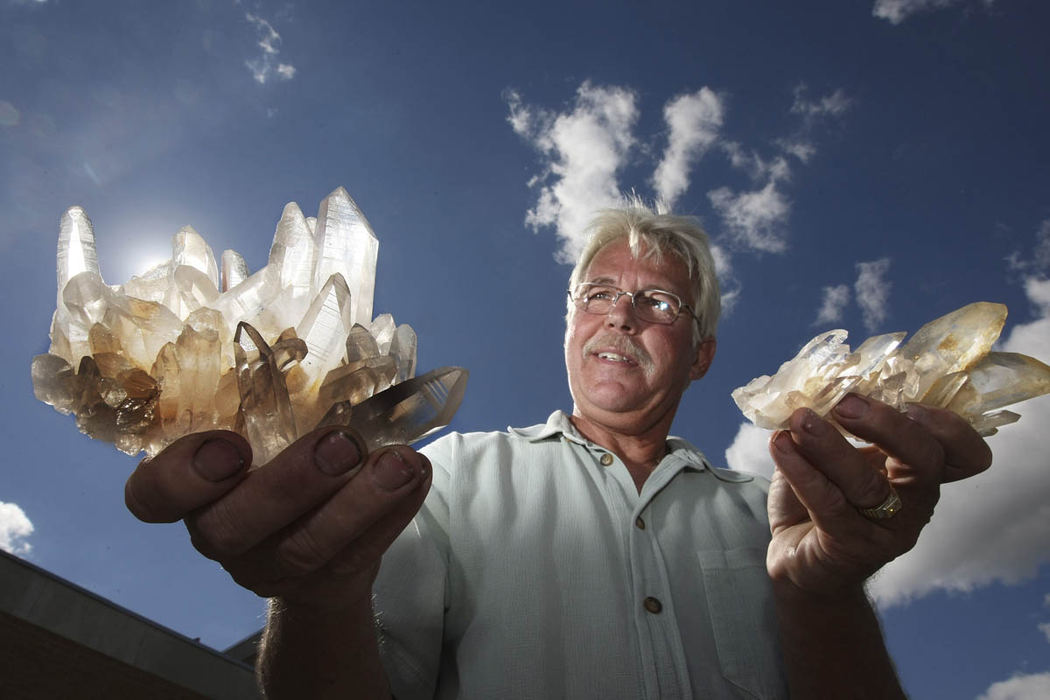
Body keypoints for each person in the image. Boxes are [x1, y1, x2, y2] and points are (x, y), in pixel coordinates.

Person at [126, 203, 992, 699]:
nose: (621, 315)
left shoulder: (778, 512)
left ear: (701, 356)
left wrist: (826, 594)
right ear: (570, 322)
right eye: (599, 293)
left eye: (658, 301)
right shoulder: (441, 479)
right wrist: (316, 602)